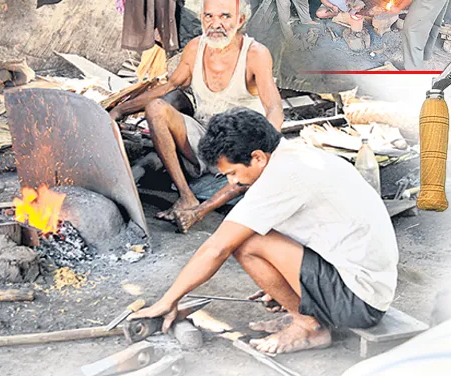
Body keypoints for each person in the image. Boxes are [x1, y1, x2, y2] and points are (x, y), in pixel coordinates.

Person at [130, 108, 399, 355]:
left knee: (246, 244)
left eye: (233, 173)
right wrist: (284, 281)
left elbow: (217, 248)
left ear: (257, 157)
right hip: (366, 285)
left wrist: (168, 300)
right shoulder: (293, 156)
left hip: (360, 303)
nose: (232, 182)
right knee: (253, 235)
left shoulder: (283, 176)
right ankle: (307, 310)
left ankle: (309, 326)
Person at [110, 0, 283, 233]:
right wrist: (120, 110)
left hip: (239, 147)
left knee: (258, 184)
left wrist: (265, 147)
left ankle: (206, 199)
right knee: (157, 108)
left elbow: (274, 107)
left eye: (225, 16)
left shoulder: (255, 53)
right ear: (201, 17)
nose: (216, 24)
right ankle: (186, 195)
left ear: (241, 19)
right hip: (204, 140)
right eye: (209, 16)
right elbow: (169, 85)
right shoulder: (195, 47)